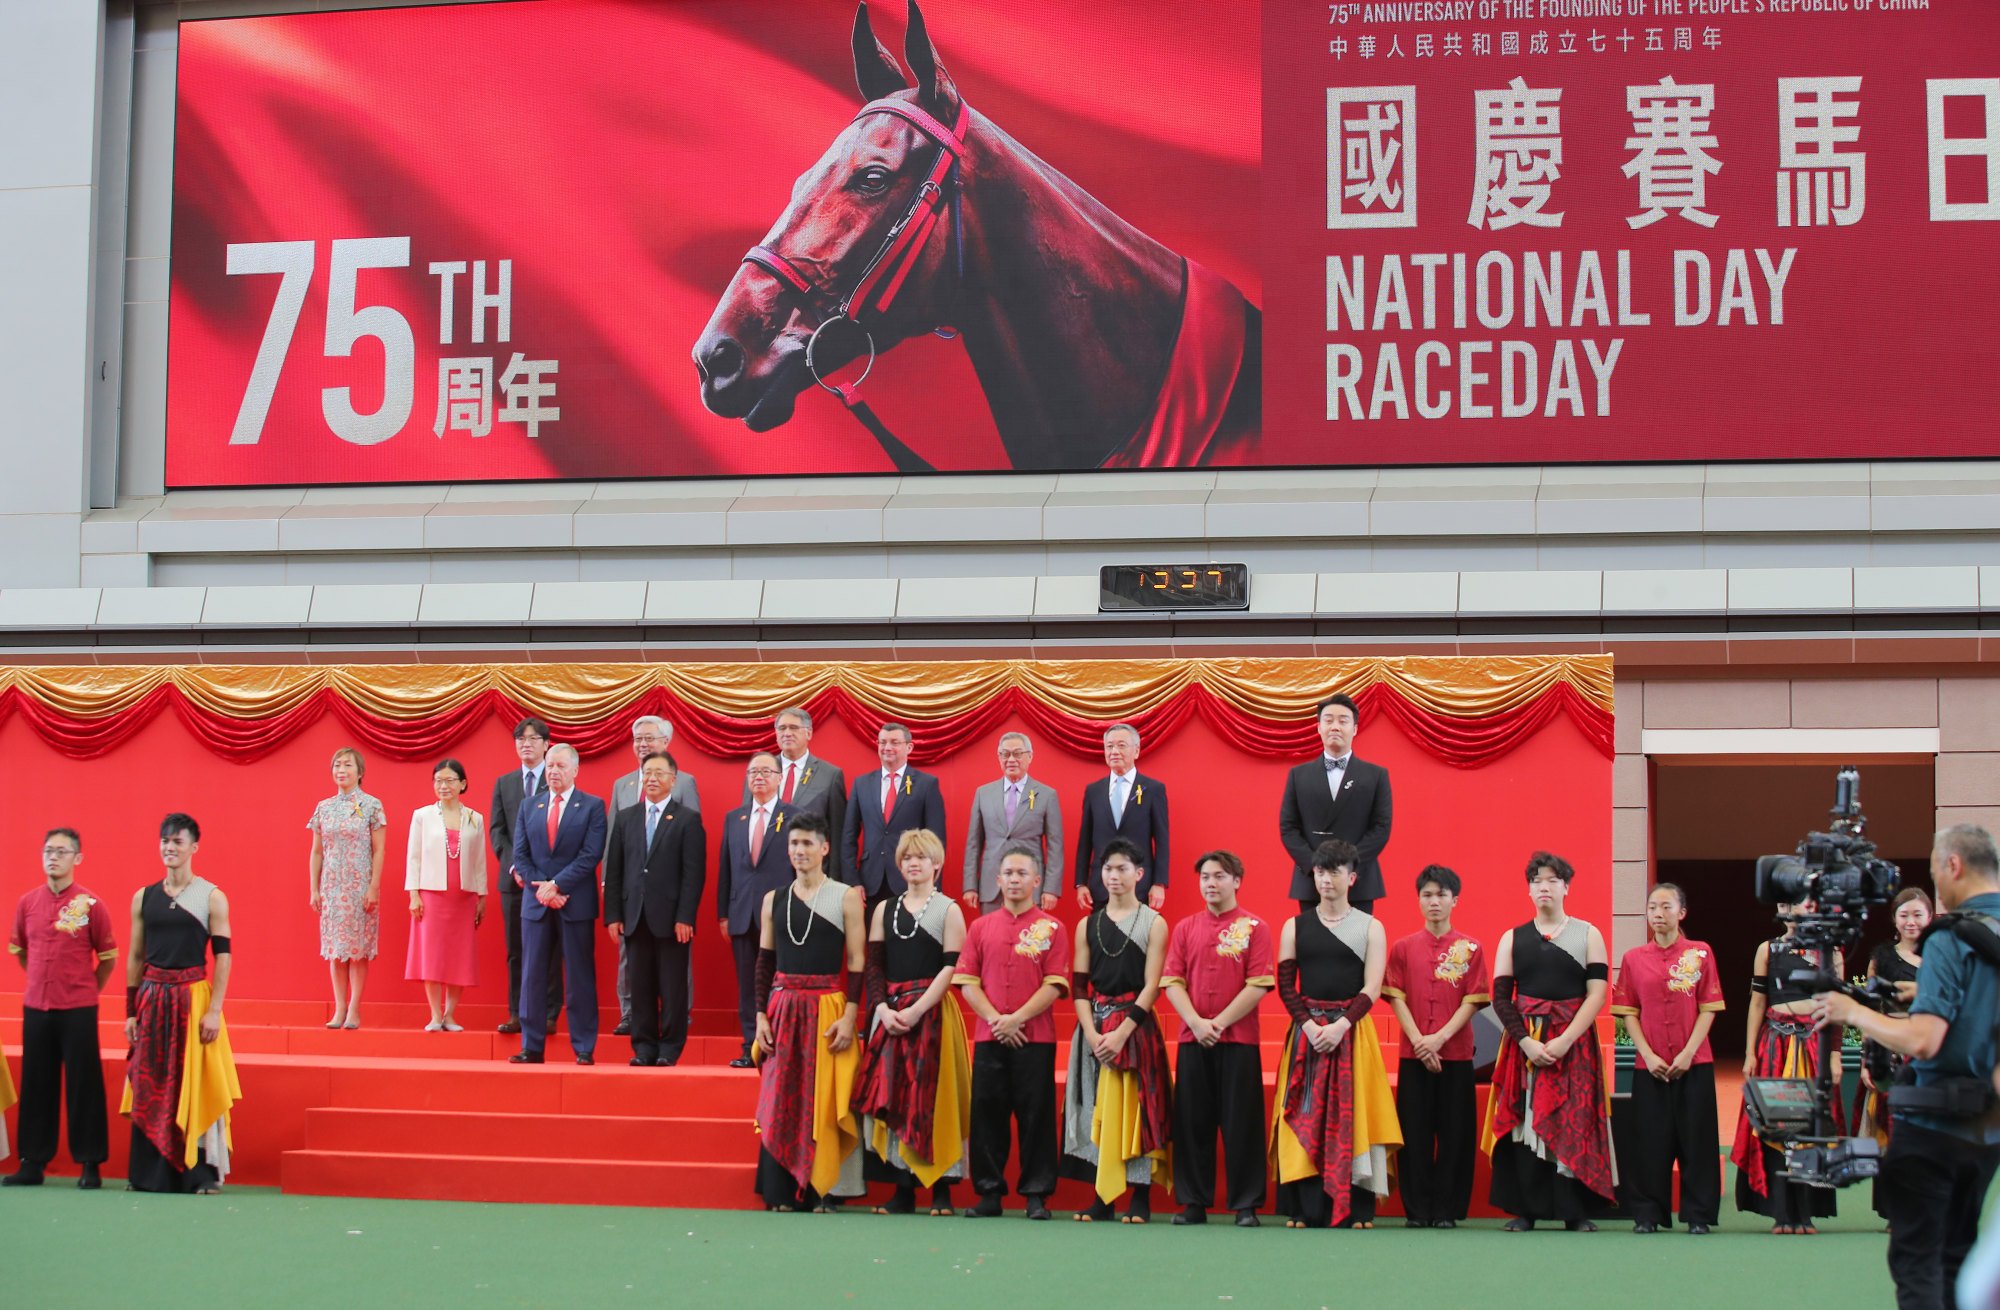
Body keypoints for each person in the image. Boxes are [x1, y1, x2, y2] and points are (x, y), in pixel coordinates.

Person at [1815, 824, 2000, 1310]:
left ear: (1953, 865)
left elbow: (1924, 1039)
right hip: (1987, 1130)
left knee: (1917, 1260)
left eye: (1937, 871)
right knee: (1958, 1255)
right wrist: (1929, 994)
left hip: (1932, 1125)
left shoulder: (1949, 937)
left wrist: (1852, 1011)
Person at [1271, 839, 1400, 1229]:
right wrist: (1309, 1026)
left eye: (1335, 871)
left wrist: (1341, 1025)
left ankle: (1359, 1209)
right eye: (1321, 871)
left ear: (1353, 878)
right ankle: (1303, 1209)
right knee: (1302, 1112)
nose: (1327, 879)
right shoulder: (1294, 925)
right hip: (1306, 1035)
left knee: (1356, 1115)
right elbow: (1286, 984)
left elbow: (1372, 989)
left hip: (1352, 1034)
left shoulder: (1370, 927)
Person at [1485, 851, 1615, 1232]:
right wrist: (1526, 1042)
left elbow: (1597, 994)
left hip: (1573, 1043)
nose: (1544, 886)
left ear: (1566, 887)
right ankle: (1526, 1210)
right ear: (1528, 889)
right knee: (1525, 1123)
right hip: (1524, 1044)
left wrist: (1565, 1041)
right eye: (1537, 880)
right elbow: (1500, 998)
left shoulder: (1588, 934)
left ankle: (1575, 1212)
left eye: (1552, 880)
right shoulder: (1512, 938)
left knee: (1574, 1119)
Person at [752, 813, 867, 1211]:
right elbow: (764, 962)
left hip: (827, 1010)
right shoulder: (773, 899)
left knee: (825, 1099)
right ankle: (780, 1192)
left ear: (824, 848)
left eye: (806, 844)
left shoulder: (846, 896)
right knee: (780, 1095)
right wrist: (760, 1017)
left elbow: (856, 961)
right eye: (793, 844)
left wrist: (851, 1016)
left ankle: (824, 1190)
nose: (799, 851)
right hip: (782, 1008)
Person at [121, 813, 241, 1194]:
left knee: (198, 1084)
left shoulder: (210, 896)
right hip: (153, 1001)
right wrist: (129, 1010)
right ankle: (148, 1175)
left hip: (193, 1000)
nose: (170, 848)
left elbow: (223, 956)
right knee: (150, 1084)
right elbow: (136, 955)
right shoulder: (144, 896)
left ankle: (200, 1175)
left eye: (177, 842)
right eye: (165, 841)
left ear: (194, 847)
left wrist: (215, 1010)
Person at [854, 829, 971, 1215]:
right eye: (907, 858)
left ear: (936, 864)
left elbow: (952, 967)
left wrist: (918, 1009)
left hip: (933, 1014)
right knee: (893, 1098)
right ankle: (902, 1189)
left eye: (921, 857)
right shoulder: (884, 910)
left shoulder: (949, 909)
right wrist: (883, 1010)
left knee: (934, 1100)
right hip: (889, 1014)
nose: (913, 863)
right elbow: (873, 965)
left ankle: (941, 1192)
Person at [955, 844, 1071, 1219]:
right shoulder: (980, 927)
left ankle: (1036, 1194)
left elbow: (1054, 984)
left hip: (1034, 1037)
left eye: (1023, 874)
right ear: (998, 879)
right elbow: (967, 981)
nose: (1015, 880)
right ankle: (989, 1193)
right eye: (1009, 873)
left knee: (1036, 1114)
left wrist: (1017, 1018)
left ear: (1037, 880)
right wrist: (997, 1021)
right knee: (987, 1115)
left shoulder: (1053, 928)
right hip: (990, 1038)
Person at [1161, 849, 1275, 1226]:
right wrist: (1195, 1022)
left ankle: (1246, 1205)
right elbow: (1172, 980)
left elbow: (1259, 984)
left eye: (1219, 876)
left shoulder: (1255, 928)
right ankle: (1194, 1202)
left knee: (1242, 1122)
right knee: (1192, 1123)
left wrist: (1219, 1023)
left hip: (1239, 1040)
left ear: (1237, 881)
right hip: (1193, 1039)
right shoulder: (1184, 928)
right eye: (1205, 877)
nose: (1211, 883)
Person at [1061, 838, 1171, 1223]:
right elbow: (1078, 984)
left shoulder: (1154, 923)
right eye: (1108, 869)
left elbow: (1153, 985)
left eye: (1123, 868)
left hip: (1134, 1027)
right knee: (1096, 1109)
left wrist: (1123, 1031)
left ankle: (1139, 1200)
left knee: (1135, 1113)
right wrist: (1091, 1033)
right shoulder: (1086, 924)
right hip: (1093, 1025)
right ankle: (1101, 1200)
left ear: (1139, 875)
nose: (1114, 876)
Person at [1609, 883, 1724, 1235]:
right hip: (1650, 1065)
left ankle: (1699, 1214)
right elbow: (1628, 1011)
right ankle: (1647, 1213)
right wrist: (1646, 1053)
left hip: (1695, 1062)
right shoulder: (1633, 959)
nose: (1658, 914)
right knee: (1649, 1140)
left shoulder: (1700, 953)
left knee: (1698, 1140)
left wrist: (1689, 1052)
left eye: (1665, 907)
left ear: (1681, 912)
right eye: (1652, 908)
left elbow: (1709, 1007)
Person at [4, 827, 116, 1188]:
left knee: (85, 1085)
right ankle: (32, 1162)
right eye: (48, 851)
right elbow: (22, 952)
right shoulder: (27, 903)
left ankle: (90, 1164)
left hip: (79, 1008)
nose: (53, 857)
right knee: (37, 1082)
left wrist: (85, 990)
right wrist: (41, 982)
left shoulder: (90, 904)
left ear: (77, 859)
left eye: (62, 852)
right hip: (37, 1007)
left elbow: (108, 958)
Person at [1382, 863, 1489, 1229]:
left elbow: (1473, 1000)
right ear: (1418, 900)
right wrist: (1419, 1041)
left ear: (1455, 900)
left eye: (1441, 895)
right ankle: (1417, 1210)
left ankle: (1446, 1210)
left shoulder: (1470, 948)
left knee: (1455, 1134)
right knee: (1414, 1133)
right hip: (1413, 1056)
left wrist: (1440, 1039)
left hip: (1457, 1056)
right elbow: (1396, 997)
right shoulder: (1402, 948)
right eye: (1427, 895)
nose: (1434, 901)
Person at [1732, 898, 1842, 1234]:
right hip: (1776, 1044)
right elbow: (1757, 1003)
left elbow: (1837, 1006)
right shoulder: (1767, 950)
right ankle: (1781, 1212)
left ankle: (1805, 1212)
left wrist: (1835, 1054)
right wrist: (1750, 1053)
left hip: (1815, 1046)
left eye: (1801, 902)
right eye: (1787, 903)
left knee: (1810, 1129)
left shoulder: (1830, 950)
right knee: (1778, 1124)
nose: (1794, 909)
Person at [604, 751, 706, 1067]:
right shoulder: (626, 816)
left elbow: (694, 873)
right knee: (641, 984)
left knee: (672, 987)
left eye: (659, 773)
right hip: (634, 916)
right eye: (647, 772)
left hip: (673, 919)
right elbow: (615, 870)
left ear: (673, 780)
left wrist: (685, 916)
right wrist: (613, 915)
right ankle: (644, 1046)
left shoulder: (687, 819)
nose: (652, 778)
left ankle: (670, 1048)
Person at [510, 743, 608, 1065]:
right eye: (550, 765)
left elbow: (591, 854)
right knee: (533, 975)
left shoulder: (592, 806)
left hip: (574, 901)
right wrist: (544, 889)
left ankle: (583, 1046)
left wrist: (558, 885)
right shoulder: (529, 806)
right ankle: (531, 1045)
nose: (553, 771)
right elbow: (520, 856)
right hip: (537, 904)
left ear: (575, 771)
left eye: (561, 766)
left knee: (579, 976)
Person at [1279, 694, 1392, 916]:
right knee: (1314, 948)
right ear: (1319, 727)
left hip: (1357, 881)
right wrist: (1317, 867)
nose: (1335, 727)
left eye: (1343, 721)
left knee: (1355, 948)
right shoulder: (1298, 775)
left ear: (1355, 728)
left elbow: (1381, 828)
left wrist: (1347, 867)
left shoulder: (1375, 775)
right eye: (1328, 720)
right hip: (1312, 882)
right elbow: (1288, 827)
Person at [718, 753, 798, 1067]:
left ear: (780, 777)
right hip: (741, 912)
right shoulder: (734, 818)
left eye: (766, 771)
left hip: (781, 913)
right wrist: (723, 912)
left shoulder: (795, 816)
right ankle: (751, 1046)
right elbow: (726, 868)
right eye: (753, 772)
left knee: (780, 982)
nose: (758, 777)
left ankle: (780, 1045)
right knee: (748, 984)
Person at [1855, 888, 1933, 1194]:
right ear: (1894, 920)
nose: (1911, 922)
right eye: (1904, 915)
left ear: (1930, 917)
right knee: (1892, 1128)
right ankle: (1893, 1208)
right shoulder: (1881, 957)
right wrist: (1866, 1059)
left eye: (1917, 914)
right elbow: (1869, 1011)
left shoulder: (1942, 957)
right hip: (1891, 1051)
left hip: (1930, 1051)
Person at [404, 759, 488, 1031]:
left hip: (463, 897)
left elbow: (479, 862)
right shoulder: (422, 815)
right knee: (432, 954)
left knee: (457, 956)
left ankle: (450, 1014)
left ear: (462, 784)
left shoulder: (475, 818)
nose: (444, 786)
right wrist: (414, 894)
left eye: (450, 780)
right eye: (439, 780)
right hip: (431, 894)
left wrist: (482, 896)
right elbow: (413, 857)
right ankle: (434, 1015)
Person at [489, 717, 559, 1036]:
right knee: (515, 949)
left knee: (549, 948)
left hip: (549, 881)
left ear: (547, 744)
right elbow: (497, 831)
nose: (525, 743)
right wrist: (515, 866)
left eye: (532, 738)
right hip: (514, 881)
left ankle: (547, 1013)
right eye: (520, 738)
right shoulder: (504, 783)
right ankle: (517, 1012)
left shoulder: (556, 779)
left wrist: (544, 873)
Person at [307, 746, 386, 1029]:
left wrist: (373, 886)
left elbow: (379, 850)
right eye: (337, 765)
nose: (341, 770)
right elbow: (317, 852)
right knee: (335, 949)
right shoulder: (323, 808)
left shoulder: (372, 805)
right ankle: (339, 1008)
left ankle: (354, 1009)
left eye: (347, 765)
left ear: (360, 772)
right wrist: (314, 889)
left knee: (357, 950)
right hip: (331, 886)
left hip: (359, 887)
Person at [845, 722, 946, 905]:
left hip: (912, 880)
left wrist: (934, 885)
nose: (887, 748)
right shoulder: (862, 784)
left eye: (894, 742)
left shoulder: (926, 784)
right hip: (870, 883)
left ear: (909, 747)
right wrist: (853, 881)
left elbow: (936, 840)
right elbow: (848, 836)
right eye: (882, 742)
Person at [962, 732, 1063, 914]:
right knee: (992, 939)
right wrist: (970, 885)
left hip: (1030, 885)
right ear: (999, 758)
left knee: (1029, 941)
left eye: (1017, 754)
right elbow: (973, 844)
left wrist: (1051, 889)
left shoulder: (1047, 795)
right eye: (1005, 754)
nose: (1011, 759)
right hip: (992, 885)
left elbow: (1055, 846)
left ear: (1030, 756)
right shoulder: (983, 794)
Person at [1073, 724, 1170, 912]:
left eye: (1121, 745)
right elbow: (1085, 840)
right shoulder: (1094, 790)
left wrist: (1159, 883)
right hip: (1100, 886)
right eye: (1109, 746)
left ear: (1136, 750)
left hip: (1139, 886)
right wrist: (1080, 883)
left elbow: (1162, 840)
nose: (1114, 751)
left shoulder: (1153, 789)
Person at [752, 706, 848, 879]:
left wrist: (834, 880)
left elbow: (837, 834)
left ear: (809, 733)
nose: (787, 733)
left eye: (794, 728)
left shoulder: (830, 775)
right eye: (782, 728)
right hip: (765, 874)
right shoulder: (758, 772)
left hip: (811, 874)